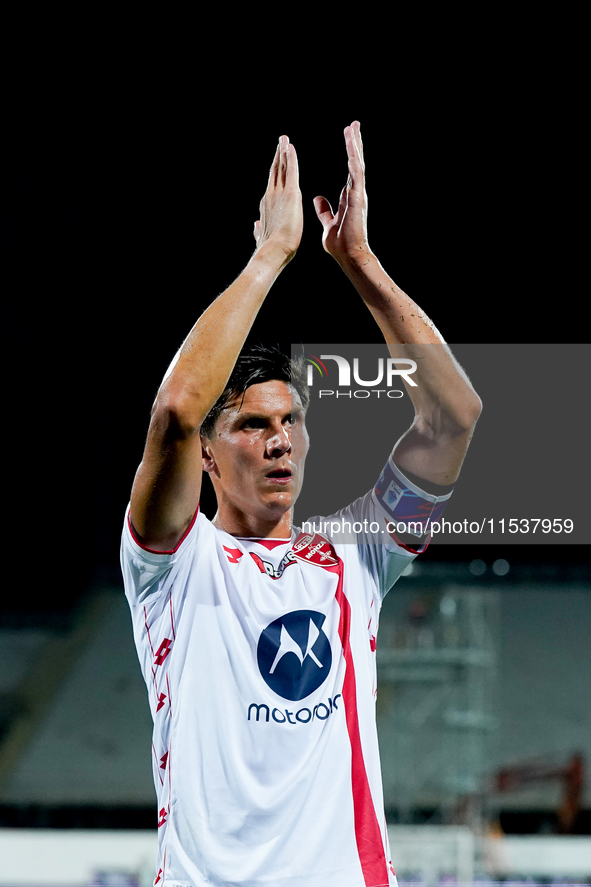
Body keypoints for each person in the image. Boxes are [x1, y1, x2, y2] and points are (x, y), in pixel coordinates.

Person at [121, 122, 482, 887]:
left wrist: (359, 264)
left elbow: (453, 415)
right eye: (252, 424)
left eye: (291, 421)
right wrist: (269, 257)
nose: (280, 440)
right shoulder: (171, 567)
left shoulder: (356, 552)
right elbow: (175, 411)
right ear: (209, 456)